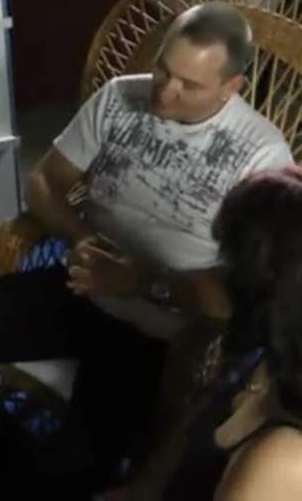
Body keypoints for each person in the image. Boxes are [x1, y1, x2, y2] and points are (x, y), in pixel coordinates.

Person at [0, 2, 295, 499]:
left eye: (189, 85)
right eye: (164, 70)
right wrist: (80, 236)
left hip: (160, 332)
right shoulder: (120, 96)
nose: (165, 91)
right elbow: (45, 181)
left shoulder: (262, 157)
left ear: (231, 86)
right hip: (78, 286)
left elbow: (238, 296)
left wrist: (140, 280)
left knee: (74, 472)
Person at [106, 166, 302, 500]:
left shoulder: (283, 460)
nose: (220, 274)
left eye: (233, 265)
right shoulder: (256, 361)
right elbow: (166, 467)